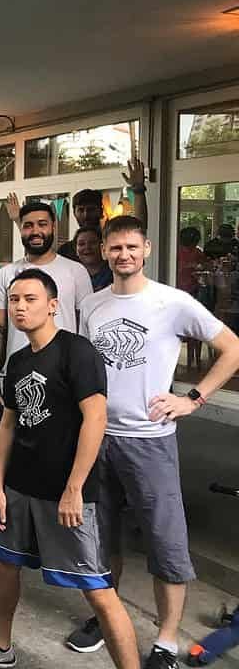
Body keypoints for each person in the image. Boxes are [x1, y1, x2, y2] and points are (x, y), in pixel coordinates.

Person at [65, 216, 239, 668]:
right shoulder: (92, 304)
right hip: (97, 437)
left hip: (149, 441)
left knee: (166, 543)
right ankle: (107, 615)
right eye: (115, 247)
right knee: (102, 539)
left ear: (146, 249)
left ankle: (166, 640)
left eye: (132, 247)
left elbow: (233, 347)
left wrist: (192, 399)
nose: (124, 254)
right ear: (104, 251)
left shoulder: (172, 302)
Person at [0, 269, 139, 669]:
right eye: (15, 299)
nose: (20, 307)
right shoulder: (18, 361)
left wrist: (74, 488)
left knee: (97, 588)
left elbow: (96, 420)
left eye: (31, 299)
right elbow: (8, 424)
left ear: (53, 305)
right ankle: (1, 648)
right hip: (20, 486)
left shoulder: (78, 352)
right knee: (4, 565)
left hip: (68, 491)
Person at [0, 202, 93, 416]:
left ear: (54, 226)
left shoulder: (75, 271)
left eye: (42, 224)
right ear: (20, 229)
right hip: (16, 374)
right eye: (28, 225)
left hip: (64, 375)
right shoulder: (7, 273)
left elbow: (87, 326)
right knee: (14, 440)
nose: (35, 231)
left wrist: (84, 374)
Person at [4, 156, 148, 262]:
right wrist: (19, 220)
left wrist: (138, 191)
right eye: (81, 210)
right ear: (74, 213)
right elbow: (38, 254)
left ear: (101, 210)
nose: (85, 215)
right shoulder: (66, 251)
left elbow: (140, 229)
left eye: (91, 209)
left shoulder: (114, 241)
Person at [74, 225, 112, 292]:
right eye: (81, 244)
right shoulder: (72, 275)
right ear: (76, 250)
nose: (87, 247)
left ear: (102, 247)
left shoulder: (113, 273)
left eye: (92, 243)